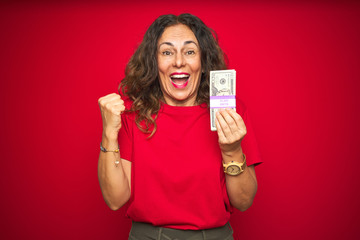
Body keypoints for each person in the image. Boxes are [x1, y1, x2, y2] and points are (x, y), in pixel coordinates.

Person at [98, 13, 262, 240]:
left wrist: (232, 150)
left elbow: (243, 202)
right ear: (154, 63)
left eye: (190, 51)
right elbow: (115, 200)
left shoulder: (230, 113)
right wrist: (109, 134)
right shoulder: (130, 113)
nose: (178, 61)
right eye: (167, 52)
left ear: (203, 62)